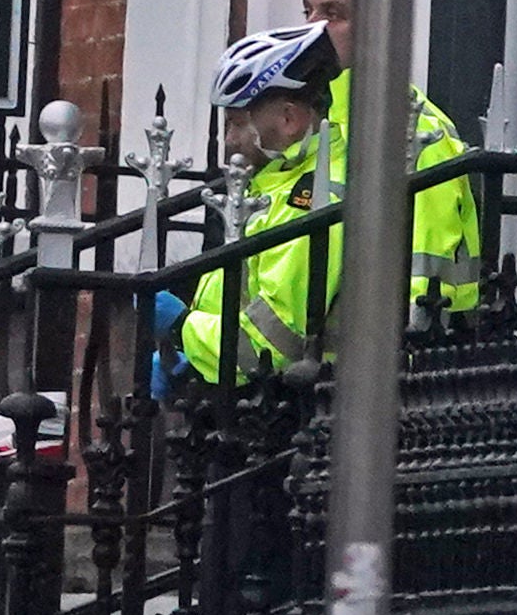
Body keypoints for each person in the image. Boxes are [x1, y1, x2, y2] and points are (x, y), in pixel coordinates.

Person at [170, 23, 486, 384]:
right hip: (242, 393)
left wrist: (182, 329)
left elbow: (269, 343)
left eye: (237, 123)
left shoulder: (316, 192)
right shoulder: (281, 177)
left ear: (289, 119)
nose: (229, 140)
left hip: (298, 405)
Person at [299, 0, 485, 315]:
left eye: (332, 14)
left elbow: (428, 266)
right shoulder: (308, 115)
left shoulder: (413, 129)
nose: (312, 28)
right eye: (307, 12)